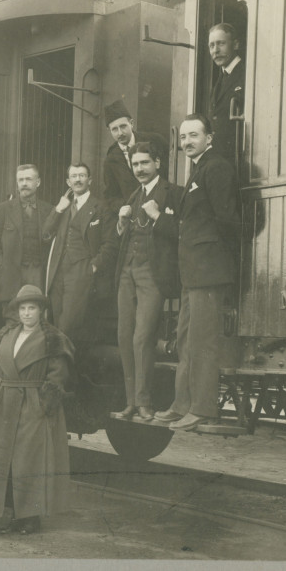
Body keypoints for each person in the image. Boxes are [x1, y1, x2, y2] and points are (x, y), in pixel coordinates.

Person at [154, 114, 243, 431]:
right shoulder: (198, 170)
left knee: (202, 341)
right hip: (193, 271)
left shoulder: (216, 168)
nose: (187, 142)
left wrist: (219, 258)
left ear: (210, 138)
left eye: (194, 135)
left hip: (208, 270)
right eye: (183, 137)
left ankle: (203, 408)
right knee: (185, 340)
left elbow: (227, 219)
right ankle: (182, 404)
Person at [0, 284, 74, 535]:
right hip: (4, 404)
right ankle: (11, 514)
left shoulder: (52, 338)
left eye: (32, 308)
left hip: (33, 405)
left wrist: (44, 405)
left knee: (30, 462)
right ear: (17, 312)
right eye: (23, 309)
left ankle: (30, 517)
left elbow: (58, 376)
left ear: (41, 311)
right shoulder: (5, 335)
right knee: (4, 462)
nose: (27, 313)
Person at [108, 144, 182, 422]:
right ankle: (130, 403)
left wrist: (156, 215)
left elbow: (180, 233)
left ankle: (144, 402)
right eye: (136, 164)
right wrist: (120, 221)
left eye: (145, 163)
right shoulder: (133, 195)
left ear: (158, 163)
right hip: (127, 272)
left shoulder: (172, 193)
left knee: (143, 338)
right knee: (124, 337)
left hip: (152, 274)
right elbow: (123, 236)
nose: (139, 169)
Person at [43, 163, 116, 339]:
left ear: (89, 180)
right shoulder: (64, 207)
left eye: (82, 175)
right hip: (59, 271)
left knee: (69, 324)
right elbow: (45, 234)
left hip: (82, 271)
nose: (78, 179)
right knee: (56, 322)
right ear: (68, 181)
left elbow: (111, 243)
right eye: (74, 176)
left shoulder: (101, 207)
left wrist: (94, 266)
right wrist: (58, 209)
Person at [0, 164, 55, 315]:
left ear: (38, 182)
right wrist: (2, 266)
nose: (24, 183)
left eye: (28, 179)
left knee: (39, 318)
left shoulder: (48, 209)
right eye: (20, 180)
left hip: (39, 275)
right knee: (13, 320)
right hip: (11, 276)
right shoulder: (3, 209)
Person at [101, 99, 169, 211]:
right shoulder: (111, 160)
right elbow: (111, 197)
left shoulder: (155, 141)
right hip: (134, 216)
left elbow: (170, 174)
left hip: (162, 207)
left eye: (123, 126)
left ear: (131, 123)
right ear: (109, 131)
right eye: (114, 129)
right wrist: (128, 207)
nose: (120, 133)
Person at [205, 23, 245, 168]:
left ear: (235, 44)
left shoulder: (246, 73)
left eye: (221, 43)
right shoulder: (221, 80)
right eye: (211, 45)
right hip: (221, 161)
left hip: (239, 160)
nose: (215, 50)